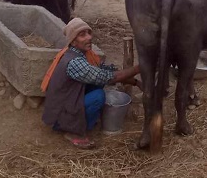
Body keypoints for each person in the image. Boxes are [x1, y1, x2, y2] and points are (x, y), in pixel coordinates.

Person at [41, 18, 140, 149]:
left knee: (98, 84)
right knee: (98, 95)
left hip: (66, 104)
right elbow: (108, 77)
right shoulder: (75, 62)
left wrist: (135, 82)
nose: (89, 37)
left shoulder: (83, 54)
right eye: (82, 35)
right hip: (59, 118)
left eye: (89, 33)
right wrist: (141, 67)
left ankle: (79, 121)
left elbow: (106, 71)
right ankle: (74, 132)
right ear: (73, 41)